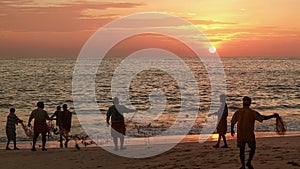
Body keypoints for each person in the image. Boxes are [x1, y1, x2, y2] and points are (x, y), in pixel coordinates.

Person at [231, 96, 279, 169]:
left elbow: (233, 122)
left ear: (242, 103)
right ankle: (249, 162)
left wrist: (232, 129)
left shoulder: (238, 112)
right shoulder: (252, 112)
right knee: (253, 148)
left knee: (241, 150)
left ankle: (243, 165)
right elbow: (263, 118)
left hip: (241, 134)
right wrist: (273, 116)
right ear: (250, 103)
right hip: (249, 134)